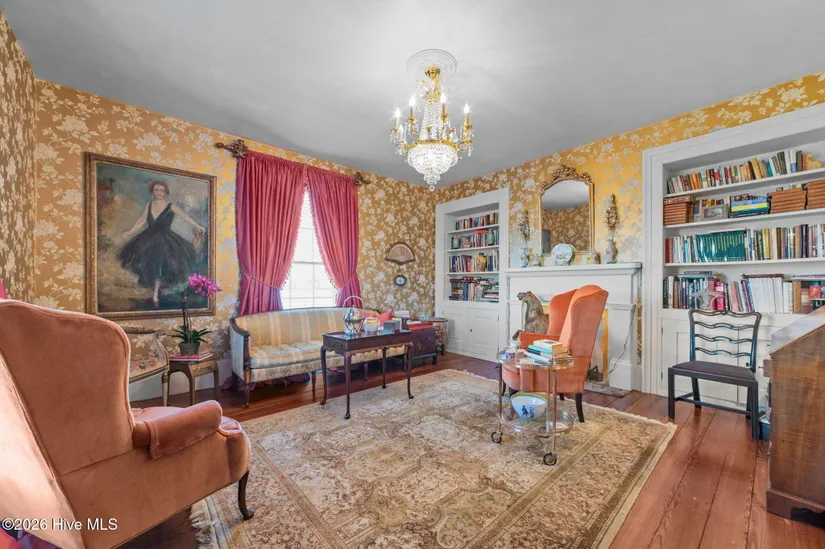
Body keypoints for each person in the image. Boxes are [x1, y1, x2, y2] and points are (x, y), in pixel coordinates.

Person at [119, 180, 205, 307]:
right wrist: (130, 231)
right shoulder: (149, 205)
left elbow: (185, 217)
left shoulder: (171, 206)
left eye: (162, 190)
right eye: (156, 190)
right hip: (148, 238)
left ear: (165, 192)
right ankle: (154, 290)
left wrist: (198, 226)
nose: (159, 192)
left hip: (165, 239)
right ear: (152, 191)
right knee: (150, 264)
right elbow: (141, 220)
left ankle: (155, 293)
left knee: (160, 265)